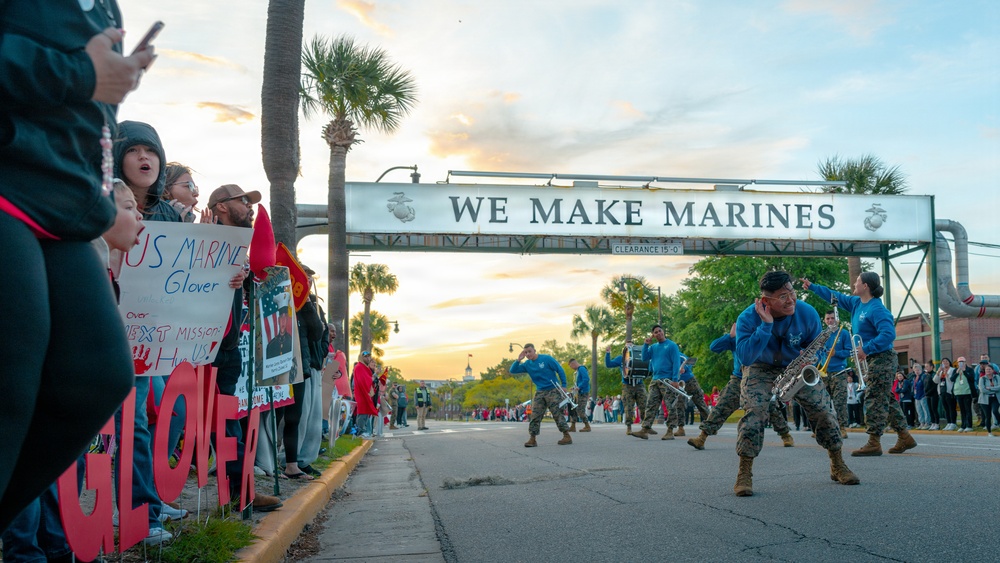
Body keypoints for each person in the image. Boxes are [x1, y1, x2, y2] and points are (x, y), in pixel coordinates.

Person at [0, 0, 154, 531]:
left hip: (65, 206)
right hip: (8, 185)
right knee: (10, 380)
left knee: (99, 377)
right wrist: (81, 74)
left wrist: (112, 82)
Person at [734, 271, 859, 497]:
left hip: (798, 368)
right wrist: (766, 325)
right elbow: (745, 357)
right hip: (760, 367)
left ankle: (837, 463)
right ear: (766, 300)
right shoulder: (747, 318)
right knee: (754, 413)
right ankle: (744, 472)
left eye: (791, 292)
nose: (791, 299)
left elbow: (818, 348)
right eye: (782, 296)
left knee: (824, 410)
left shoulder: (807, 312)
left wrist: (813, 360)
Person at [205, 184, 282, 511]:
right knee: (189, 424)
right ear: (221, 206)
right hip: (198, 350)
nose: (249, 208)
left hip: (228, 348)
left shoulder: (239, 248)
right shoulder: (200, 238)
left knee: (227, 425)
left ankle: (241, 492)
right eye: (243, 201)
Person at [803, 272, 916, 457]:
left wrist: (866, 348)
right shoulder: (856, 303)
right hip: (871, 359)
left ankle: (874, 441)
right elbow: (835, 296)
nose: (854, 284)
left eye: (857, 281)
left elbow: (888, 334)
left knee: (874, 397)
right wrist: (813, 287)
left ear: (866, 286)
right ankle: (905, 436)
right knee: (885, 398)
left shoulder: (877, 309)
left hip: (883, 358)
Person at [688, 323, 795, 450]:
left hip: (759, 379)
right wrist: (730, 336)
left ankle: (785, 435)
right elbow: (714, 347)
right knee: (722, 405)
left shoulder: (761, 335)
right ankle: (702, 438)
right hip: (738, 378)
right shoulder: (736, 338)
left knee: (770, 408)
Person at [509, 343, 573, 447]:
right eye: (526, 352)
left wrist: (564, 385)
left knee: (557, 413)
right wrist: (518, 360)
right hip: (540, 391)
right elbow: (513, 370)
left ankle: (566, 436)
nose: (528, 354)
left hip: (553, 389)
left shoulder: (546, 359)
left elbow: (559, 370)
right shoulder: (527, 364)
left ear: (534, 350)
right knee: (535, 415)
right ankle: (532, 439)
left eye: (530, 351)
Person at [631, 325, 682, 440]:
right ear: (653, 335)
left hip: (668, 380)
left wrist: (675, 379)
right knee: (651, 405)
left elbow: (676, 362)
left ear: (663, 332)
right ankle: (645, 429)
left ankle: (670, 431)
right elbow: (644, 358)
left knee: (670, 405)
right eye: (655, 332)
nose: (658, 333)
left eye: (660, 331)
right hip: (655, 379)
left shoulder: (672, 345)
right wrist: (646, 344)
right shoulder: (653, 347)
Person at [818, 310, 852, 438]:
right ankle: (824, 428)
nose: (830, 321)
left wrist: (836, 353)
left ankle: (842, 427)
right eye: (828, 319)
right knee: (823, 402)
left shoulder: (843, 333)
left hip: (839, 372)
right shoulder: (822, 335)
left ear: (836, 319)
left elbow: (849, 351)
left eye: (832, 318)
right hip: (824, 372)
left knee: (839, 402)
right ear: (824, 320)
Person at [605, 342, 647, 436]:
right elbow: (609, 364)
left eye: (631, 345)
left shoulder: (640, 356)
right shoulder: (621, 358)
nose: (629, 347)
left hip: (639, 384)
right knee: (628, 407)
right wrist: (607, 353)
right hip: (627, 385)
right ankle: (629, 427)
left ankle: (646, 427)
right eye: (627, 346)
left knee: (644, 405)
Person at [669, 356, 710, 437]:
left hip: (689, 380)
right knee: (679, 405)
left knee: (700, 403)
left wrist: (684, 368)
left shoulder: (678, 354)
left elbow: (688, 362)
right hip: (678, 382)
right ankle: (681, 428)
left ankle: (711, 425)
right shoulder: (665, 357)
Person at [352, 351, 377, 438]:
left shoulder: (365, 367)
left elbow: (367, 378)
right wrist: (371, 379)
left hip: (366, 392)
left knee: (366, 412)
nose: (368, 358)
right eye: (365, 356)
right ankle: (360, 431)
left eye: (369, 356)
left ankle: (363, 430)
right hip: (361, 393)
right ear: (361, 357)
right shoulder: (359, 367)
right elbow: (362, 380)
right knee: (362, 412)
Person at [950, 357, 976, 432]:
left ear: (965, 362)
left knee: (967, 409)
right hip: (958, 392)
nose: (961, 363)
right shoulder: (955, 370)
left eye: (962, 362)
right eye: (959, 362)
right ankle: (963, 425)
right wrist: (957, 373)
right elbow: (951, 379)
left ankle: (969, 425)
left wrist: (964, 371)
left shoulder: (969, 370)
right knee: (962, 410)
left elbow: (972, 379)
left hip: (967, 392)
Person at [567, 359, 592, 432]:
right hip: (579, 393)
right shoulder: (578, 370)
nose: (571, 368)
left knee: (580, 410)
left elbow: (586, 379)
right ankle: (573, 426)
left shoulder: (581, 369)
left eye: (571, 366)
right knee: (574, 409)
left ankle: (587, 426)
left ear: (573, 364)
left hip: (583, 392)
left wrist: (579, 387)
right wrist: (575, 387)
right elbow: (580, 381)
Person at [934, 358, 958, 431]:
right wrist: (938, 372)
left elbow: (951, 380)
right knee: (946, 409)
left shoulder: (953, 370)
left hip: (949, 391)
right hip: (942, 391)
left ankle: (953, 423)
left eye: (946, 361)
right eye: (943, 362)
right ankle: (949, 422)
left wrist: (946, 373)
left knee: (951, 408)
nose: (945, 363)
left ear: (949, 362)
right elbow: (935, 381)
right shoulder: (941, 371)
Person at [977, 362, 1000, 435]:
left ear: (993, 370)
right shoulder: (982, 378)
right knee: (988, 416)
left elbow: (999, 387)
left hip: (995, 398)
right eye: (987, 369)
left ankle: (998, 423)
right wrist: (994, 389)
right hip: (984, 400)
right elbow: (982, 390)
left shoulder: (997, 377)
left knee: (995, 411)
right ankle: (989, 432)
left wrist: (990, 388)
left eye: (989, 369)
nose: (988, 371)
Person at [912, 362, 930, 429]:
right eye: (915, 370)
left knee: (925, 410)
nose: (917, 371)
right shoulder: (914, 378)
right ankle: (921, 423)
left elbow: (925, 385)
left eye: (918, 370)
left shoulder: (923, 376)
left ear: (921, 370)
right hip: (916, 396)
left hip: (923, 395)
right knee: (919, 410)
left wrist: (925, 394)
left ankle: (927, 422)